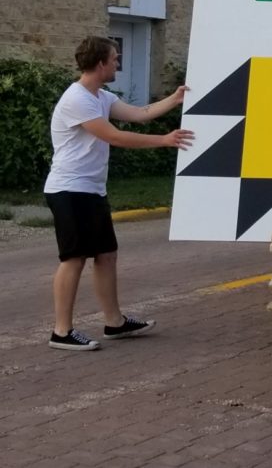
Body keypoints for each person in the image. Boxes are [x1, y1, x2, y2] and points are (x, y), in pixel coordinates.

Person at [44, 36, 194, 351]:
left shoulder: (101, 96)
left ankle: (115, 323)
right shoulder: (78, 99)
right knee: (73, 258)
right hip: (69, 190)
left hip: (91, 189)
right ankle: (61, 331)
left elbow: (140, 113)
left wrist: (175, 98)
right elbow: (114, 136)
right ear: (100, 64)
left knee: (106, 255)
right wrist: (163, 140)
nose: (117, 63)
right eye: (114, 58)